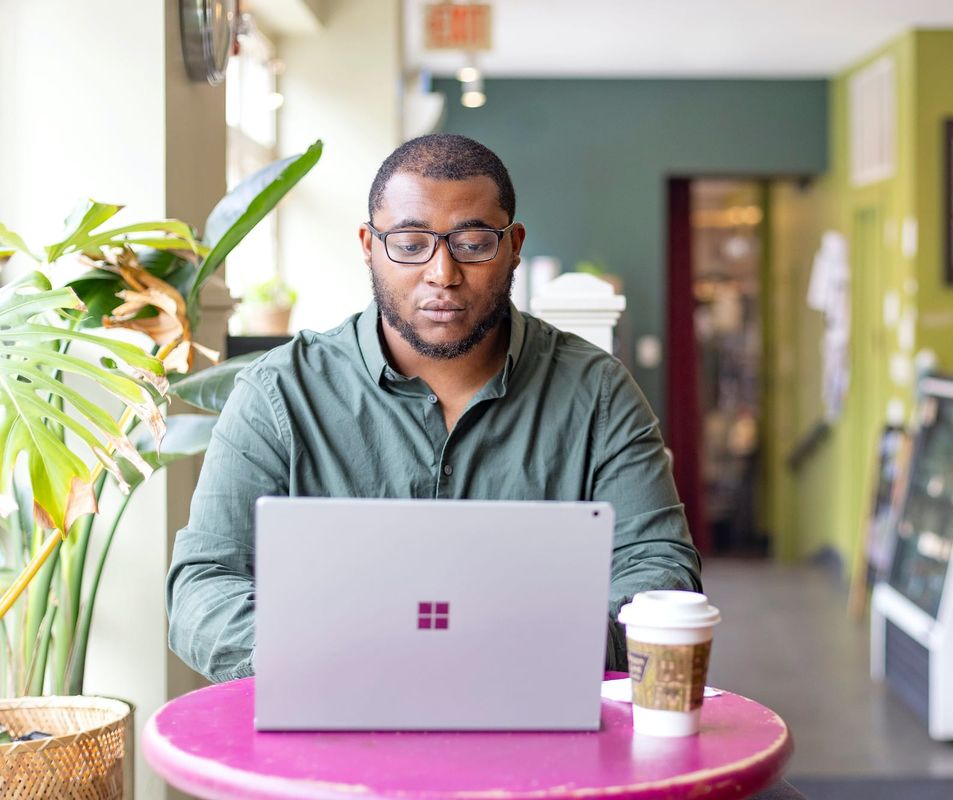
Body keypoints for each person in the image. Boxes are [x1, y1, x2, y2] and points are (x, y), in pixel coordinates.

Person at [166, 134, 702, 683]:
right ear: (368, 245)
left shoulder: (598, 393)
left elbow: (660, 572)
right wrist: (334, 661)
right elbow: (204, 584)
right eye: (409, 241)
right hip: (332, 729)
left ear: (514, 245)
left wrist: (540, 649)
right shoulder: (278, 393)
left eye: (472, 243)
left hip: (538, 736)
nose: (442, 273)